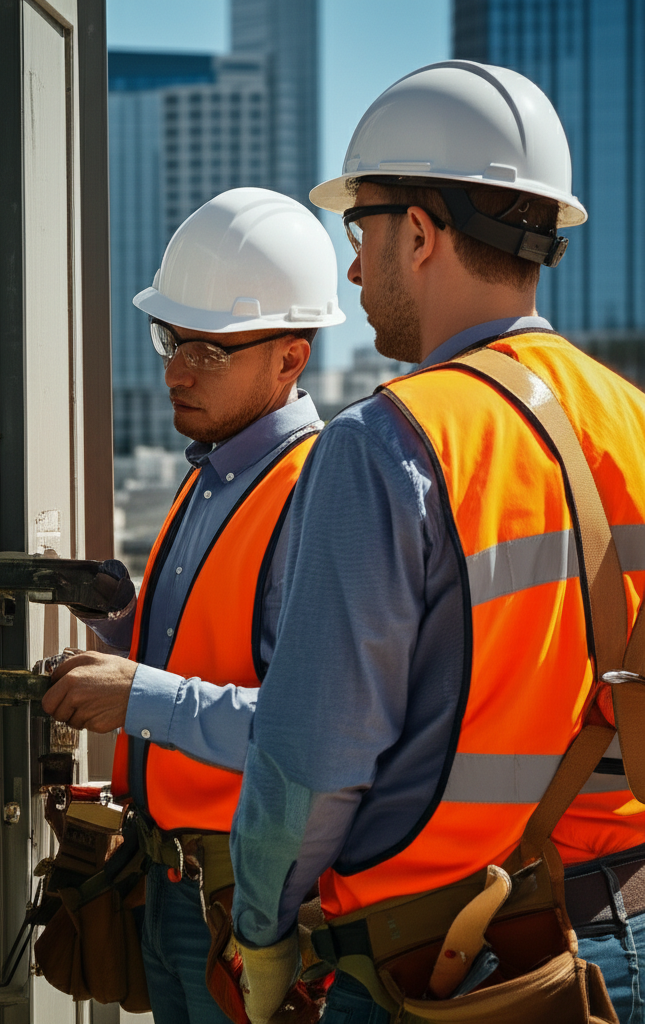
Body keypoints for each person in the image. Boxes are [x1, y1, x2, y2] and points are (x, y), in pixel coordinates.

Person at [227, 61, 645, 1023]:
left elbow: (312, 764)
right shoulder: (628, 419)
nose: (353, 267)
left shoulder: (390, 442)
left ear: (418, 232)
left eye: (359, 231)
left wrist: (262, 932)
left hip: (450, 968)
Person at [41, 186, 345, 1024]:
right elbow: (208, 654)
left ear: (291, 358)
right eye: (171, 338)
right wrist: (113, 615)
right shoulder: (212, 474)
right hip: (172, 882)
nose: (174, 369)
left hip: (254, 905)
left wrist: (134, 694)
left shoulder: (316, 494)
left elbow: (309, 730)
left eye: (209, 349)